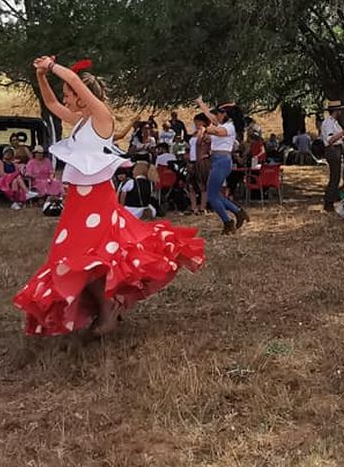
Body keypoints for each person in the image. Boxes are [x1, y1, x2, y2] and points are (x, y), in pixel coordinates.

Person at [13, 57, 205, 341]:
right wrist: (41, 77)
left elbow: (76, 81)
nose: (65, 99)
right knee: (68, 258)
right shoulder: (79, 122)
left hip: (97, 200)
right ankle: (107, 306)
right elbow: (52, 105)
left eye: (69, 95)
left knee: (91, 257)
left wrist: (52, 66)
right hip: (78, 201)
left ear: (82, 97)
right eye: (66, 95)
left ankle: (107, 310)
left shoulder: (102, 118)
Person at [196, 99, 250, 233]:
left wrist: (205, 129)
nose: (217, 116)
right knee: (215, 195)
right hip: (217, 160)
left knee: (212, 196)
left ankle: (228, 222)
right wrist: (201, 103)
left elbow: (218, 132)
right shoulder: (223, 124)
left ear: (226, 114)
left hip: (222, 161)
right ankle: (238, 212)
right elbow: (210, 117)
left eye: (219, 113)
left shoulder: (229, 127)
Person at [320, 107, 344, 211]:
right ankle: (328, 202)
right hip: (333, 150)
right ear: (336, 111)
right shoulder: (329, 123)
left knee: (336, 176)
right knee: (335, 177)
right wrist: (343, 132)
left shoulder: (335, 122)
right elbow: (330, 139)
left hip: (337, 149)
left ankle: (331, 199)